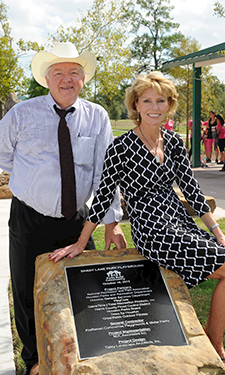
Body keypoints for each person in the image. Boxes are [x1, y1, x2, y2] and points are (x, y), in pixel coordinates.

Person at [50, 71, 225, 363]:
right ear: (136, 105)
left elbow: (191, 191)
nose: (154, 107)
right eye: (147, 100)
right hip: (153, 229)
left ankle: (212, 338)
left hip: (178, 220)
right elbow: (103, 195)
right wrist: (82, 242)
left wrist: (217, 232)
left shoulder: (174, 142)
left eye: (161, 100)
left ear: (169, 104)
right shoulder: (121, 147)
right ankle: (215, 344)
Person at [0, 42, 126, 375]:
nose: (66, 79)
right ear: (46, 78)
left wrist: (113, 222)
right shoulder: (22, 114)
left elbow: (105, 171)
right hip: (29, 218)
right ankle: (35, 361)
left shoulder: (96, 115)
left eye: (74, 73)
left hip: (77, 219)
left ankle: (83, 354)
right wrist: (30, 178)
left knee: (87, 287)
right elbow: (2, 153)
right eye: (59, 73)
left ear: (83, 79)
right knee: (28, 290)